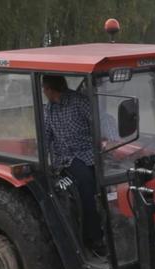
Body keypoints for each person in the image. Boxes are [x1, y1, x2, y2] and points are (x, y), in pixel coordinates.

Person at [42, 75, 106, 256]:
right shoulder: (49, 109)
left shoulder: (79, 101)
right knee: (84, 184)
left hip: (86, 154)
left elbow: (101, 119)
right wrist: (39, 158)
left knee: (96, 184)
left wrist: (107, 137)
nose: (43, 92)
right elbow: (46, 135)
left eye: (44, 88)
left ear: (49, 89)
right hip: (63, 159)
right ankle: (93, 238)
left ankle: (100, 231)